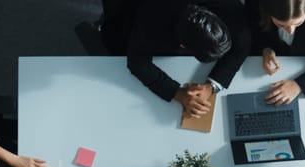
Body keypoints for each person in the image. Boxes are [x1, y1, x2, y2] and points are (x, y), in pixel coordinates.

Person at [101, 0, 251, 119]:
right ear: (182, 46)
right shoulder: (152, 20)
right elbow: (137, 63)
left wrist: (211, 86)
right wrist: (179, 94)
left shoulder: (229, 6)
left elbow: (243, 44)